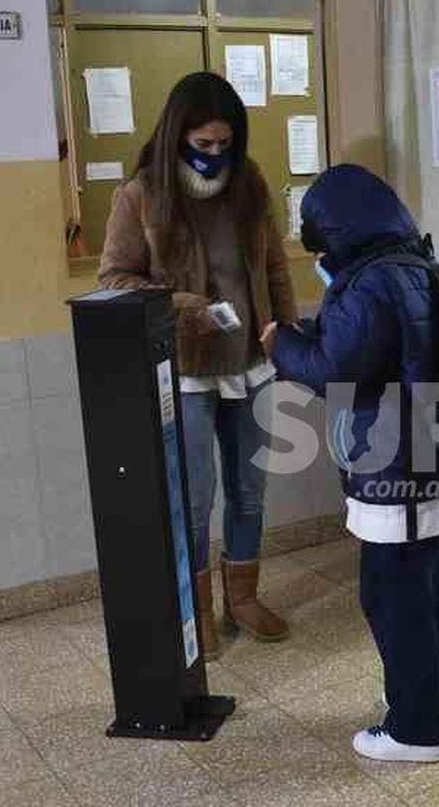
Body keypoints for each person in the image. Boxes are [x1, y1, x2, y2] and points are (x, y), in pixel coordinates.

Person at [269, 163, 439, 764]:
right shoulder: (413, 269)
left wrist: (278, 344)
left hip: (394, 465)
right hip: (427, 457)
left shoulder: (372, 283)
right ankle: (437, 702)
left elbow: (336, 372)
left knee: (391, 594)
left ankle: (415, 731)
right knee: (425, 585)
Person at [99, 72, 297, 656]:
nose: (215, 157)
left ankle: (243, 598)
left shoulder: (250, 181)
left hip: (252, 362)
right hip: (185, 368)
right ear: (176, 135)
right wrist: (184, 307)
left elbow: (277, 267)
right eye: (203, 145)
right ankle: (198, 608)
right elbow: (114, 278)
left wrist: (283, 332)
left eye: (225, 145)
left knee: (250, 489)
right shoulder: (140, 195)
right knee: (194, 496)